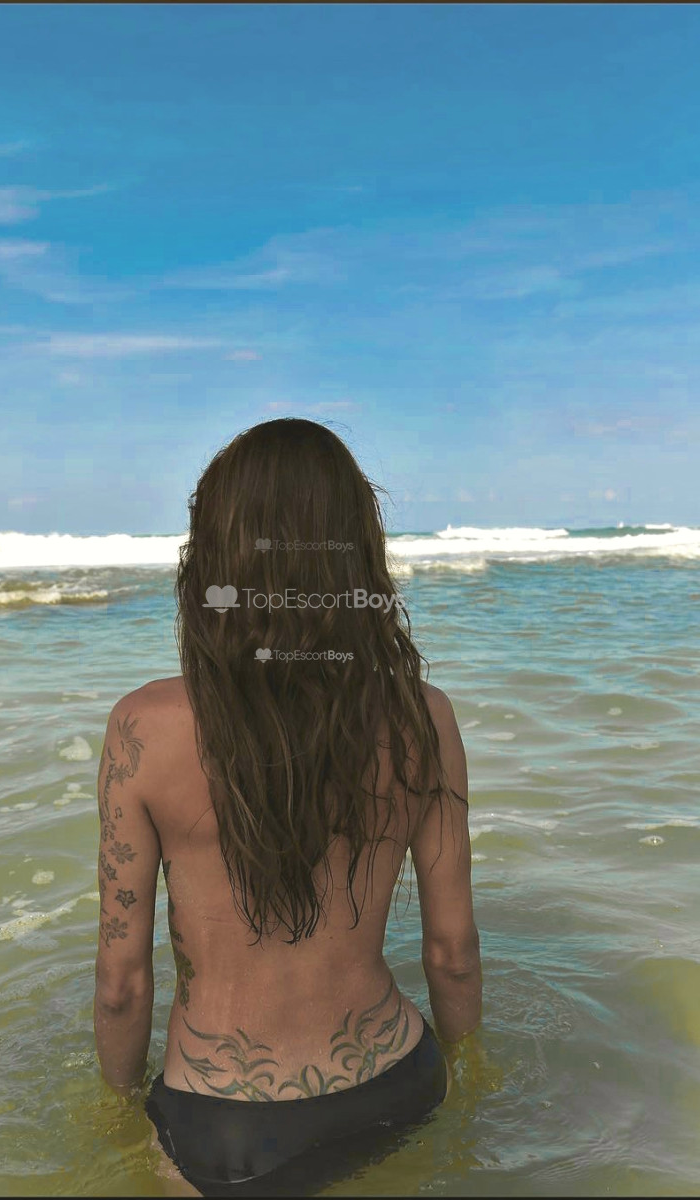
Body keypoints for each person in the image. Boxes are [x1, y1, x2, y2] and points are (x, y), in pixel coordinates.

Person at [93, 418, 482, 1197]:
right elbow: (451, 951)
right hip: (398, 1083)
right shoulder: (422, 715)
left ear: (215, 554)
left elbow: (121, 982)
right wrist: (471, 1083)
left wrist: (115, 1115)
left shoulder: (144, 728)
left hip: (222, 1121)